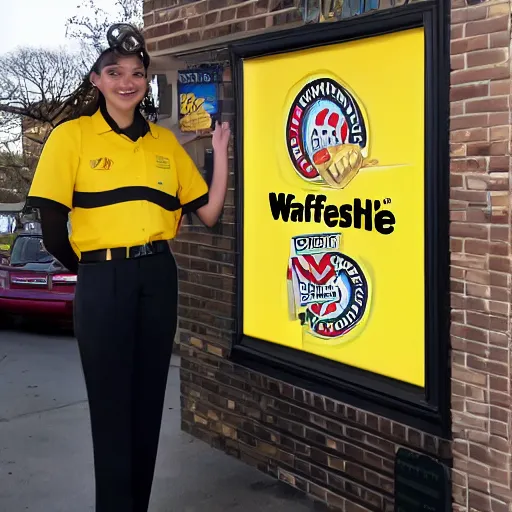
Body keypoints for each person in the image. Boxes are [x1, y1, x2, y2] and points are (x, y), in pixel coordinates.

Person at [25, 23, 230, 512]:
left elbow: (207, 212)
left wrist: (219, 155)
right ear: (96, 80)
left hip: (158, 276)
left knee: (145, 405)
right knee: (112, 408)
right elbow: (53, 230)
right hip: (102, 280)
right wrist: (95, 270)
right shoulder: (70, 138)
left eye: (137, 73)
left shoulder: (164, 144)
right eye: (114, 72)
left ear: (145, 82)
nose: (127, 81)